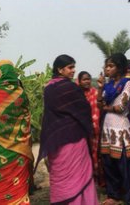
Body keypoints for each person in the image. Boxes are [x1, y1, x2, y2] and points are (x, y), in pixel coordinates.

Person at [37, 55, 97, 204]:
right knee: (78, 174)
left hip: (55, 138)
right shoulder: (70, 87)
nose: (73, 71)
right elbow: (83, 109)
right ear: (60, 69)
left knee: (60, 175)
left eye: (73, 67)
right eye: (70, 67)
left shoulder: (48, 88)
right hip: (74, 137)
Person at [0, 60, 33, 204]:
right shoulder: (21, 94)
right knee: (19, 188)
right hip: (19, 150)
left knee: (0, 185)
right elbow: (27, 117)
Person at [97, 53, 130, 205]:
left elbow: (121, 107)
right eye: (106, 66)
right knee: (109, 164)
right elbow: (99, 104)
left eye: (111, 66)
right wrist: (100, 88)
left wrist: (107, 107)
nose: (107, 69)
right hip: (108, 128)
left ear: (120, 68)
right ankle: (114, 195)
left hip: (121, 128)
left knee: (125, 165)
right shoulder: (108, 86)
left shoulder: (128, 83)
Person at [77, 71, 101, 185]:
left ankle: (96, 177)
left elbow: (98, 112)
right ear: (79, 81)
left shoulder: (96, 93)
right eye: (84, 79)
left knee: (95, 153)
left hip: (94, 129)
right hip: (80, 130)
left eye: (88, 79)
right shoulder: (76, 94)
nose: (87, 81)